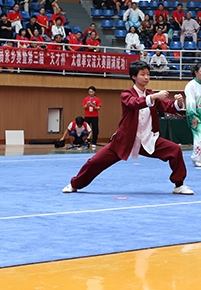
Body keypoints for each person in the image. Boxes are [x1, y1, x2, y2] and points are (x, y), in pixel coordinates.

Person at [62, 60, 193, 195]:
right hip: (124, 140)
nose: (146, 77)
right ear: (134, 77)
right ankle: (75, 184)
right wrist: (153, 96)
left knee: (175, 150)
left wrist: (178, 102)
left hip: (147, 139)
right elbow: (135, 103)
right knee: (95, 162)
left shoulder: (150, 93)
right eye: (142, 74)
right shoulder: (126, 94)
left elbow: (168, 106)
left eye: (148, 74)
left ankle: (179, 185)